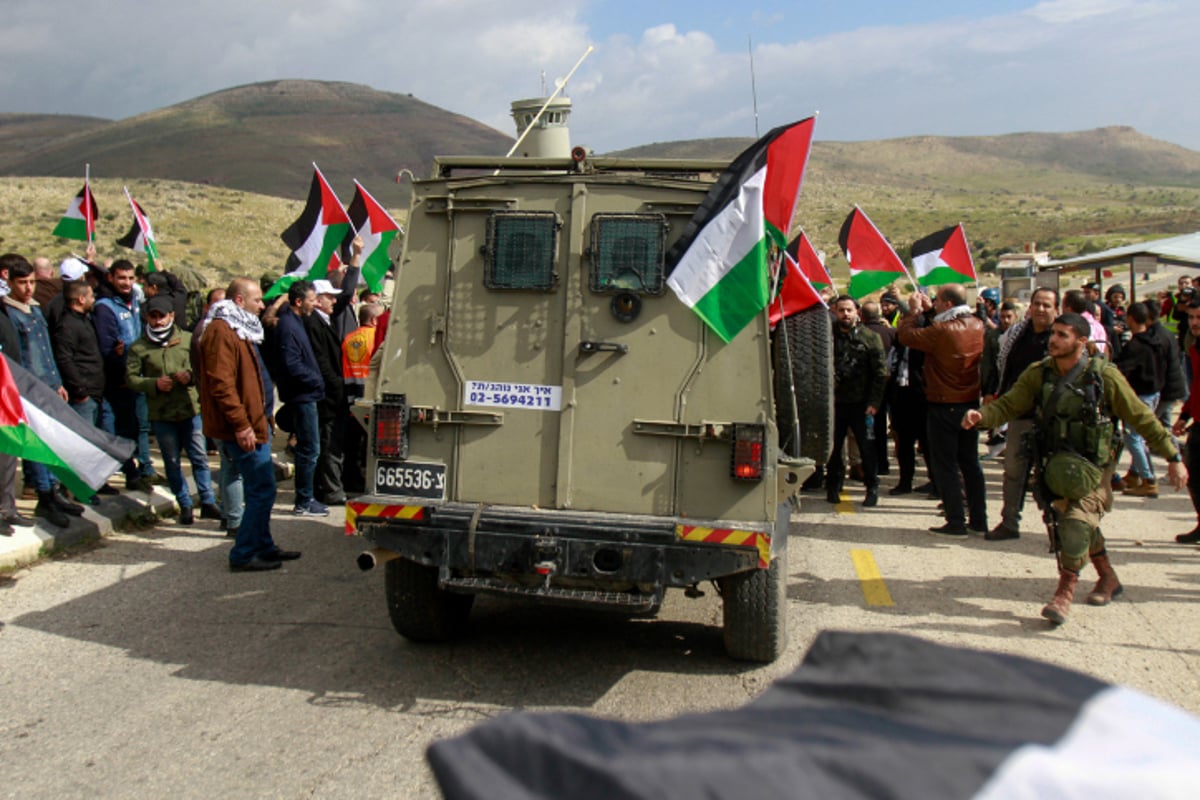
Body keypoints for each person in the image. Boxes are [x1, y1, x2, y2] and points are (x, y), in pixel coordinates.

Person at [964, 313, 1186, 624]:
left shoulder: (1103, 376)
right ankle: (1108, 577)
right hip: (1056, 467)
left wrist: (1173, 458)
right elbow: (1010, 404)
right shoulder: (1039, 373)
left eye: (1063, 335)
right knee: (1071, 521)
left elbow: (1141, 417)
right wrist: (982, 417)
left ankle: (1064, 591)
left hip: (1095, 468)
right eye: (1053, 333)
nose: (1053, 339)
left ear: (1081, 341)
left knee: (1077, 522)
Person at [199, 278, 299, 572]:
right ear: (240, 301)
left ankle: (263, 545)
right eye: (257, 300)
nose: (262, 305)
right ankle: (243, 552)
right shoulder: (220, 330)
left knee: (263, 487)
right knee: (260, 488)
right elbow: (222, 384)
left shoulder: (241, 327)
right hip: (241, 428)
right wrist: (241, 424)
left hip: (256, 423)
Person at [1, 255, 86, 527]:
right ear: (10, 282)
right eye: (22, 283)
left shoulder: (35, 310)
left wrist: (57, 381)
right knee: (35, 444)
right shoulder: (8, 312)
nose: (28, 288)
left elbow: (45, 349)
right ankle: (43, 494)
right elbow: (16, 354)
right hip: (26, 386)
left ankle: (54, 492)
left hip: (48, 382)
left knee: (51, 442)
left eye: (32, 282)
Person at [897, 284, 987, 537]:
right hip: (969, 401)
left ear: (947, 304)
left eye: (937, 301)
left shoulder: (942, 330)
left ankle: (955, 520)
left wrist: (912, 312)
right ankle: (979, 519)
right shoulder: (978, 324)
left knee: (945, 465)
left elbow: (906, 336)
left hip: (943, 404)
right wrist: (928, 313)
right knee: (970, 463)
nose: (933, 304)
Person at [126, 295, 221, 525]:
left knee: (198, 457)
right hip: (162, 413)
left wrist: (189, 375)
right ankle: (185, 505)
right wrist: (153, 384)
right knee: (171, 460)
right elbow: (130, 378)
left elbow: (201, 367)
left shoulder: (188, 339)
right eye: (153, 316)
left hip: (190, 409)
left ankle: (207, 501)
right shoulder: (139, 347)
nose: (157, 321)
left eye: (162, 316)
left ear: (172, 316)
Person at [987, 287, 1059, 540]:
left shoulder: (1061, 337)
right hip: (1021, 415)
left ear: (1056, 309)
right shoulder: (1017, 335)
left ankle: (1060, 528)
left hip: (1053, 420)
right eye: (1037, 303)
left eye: (1046, 305)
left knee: (1054, 477)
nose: (1040, 309)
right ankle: (1009, 522)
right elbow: (1003, 367)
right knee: (1014, 472)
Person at [94, 259, 156, 490]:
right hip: (117, 380)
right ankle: (120, 473)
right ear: (111, 278)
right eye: (121, 278)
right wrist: (121, 370)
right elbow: (108, 348)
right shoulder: (105, 307)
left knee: (136, 427)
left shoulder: (134, 303)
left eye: (130, 278)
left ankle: (139, 471)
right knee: (114, 430)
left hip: (136, 377)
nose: (126, 283)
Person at [825, 296, 886, 508]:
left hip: (861, 404)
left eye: (849, 310)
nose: (846, 314)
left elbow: (880, 373)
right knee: (833, 449)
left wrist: (874, 402)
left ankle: (872, 488)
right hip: (835, 404)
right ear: (834, 311)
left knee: (866, 450)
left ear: (857, 312)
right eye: (841, 310)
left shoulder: (870, 338)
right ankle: (833, 486)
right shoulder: (826, 337)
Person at [274, 280, 327, 516]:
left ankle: (306, 498)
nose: (315, 304)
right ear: (298, 301)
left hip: (306, 393)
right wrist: (315, 380)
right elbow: (291, 364)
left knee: (310, 448)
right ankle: (304, 501)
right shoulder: (288, 326)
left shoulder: (295, 322)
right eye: (312, 299)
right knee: (309, 449)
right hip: (302, 396)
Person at [1113, 302, 1167, 498]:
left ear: (1131, 319)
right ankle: (1136, 475)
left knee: (1133, 438)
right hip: (1154, 394)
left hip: (1139, 397)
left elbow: (1120, 370)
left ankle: (1148, 479)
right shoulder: (1156, 342)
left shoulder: (1135, 346)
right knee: (1141, 436)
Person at [305, 279, 348, 505]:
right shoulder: (313, 323)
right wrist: (336, 383)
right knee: (328, 443)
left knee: (333, 442)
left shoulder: (325, 320)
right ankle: (329, 489)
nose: (334, 300)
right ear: (318, 300)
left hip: (333, 393)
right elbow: (321, 360)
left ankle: (331, 486)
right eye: (330, 296)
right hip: (328, 395)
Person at [341, 302, 382, 495]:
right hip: (367, 395)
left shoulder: (348, 338)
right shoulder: (376, 338)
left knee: (351, 444)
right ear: (374, 320)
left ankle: (349, 479)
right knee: (367, 442)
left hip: (349, 394)